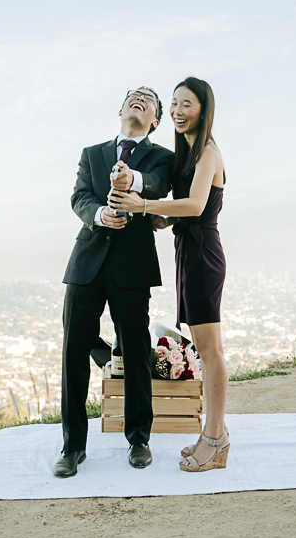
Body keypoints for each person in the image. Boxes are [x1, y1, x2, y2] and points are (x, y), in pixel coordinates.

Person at [109, 77, 229, 472]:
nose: (178, 111)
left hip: (202, 254)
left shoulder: (208, 151)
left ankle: (216, 439)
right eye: (174, 103)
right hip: (188, 252)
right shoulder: (190, 152)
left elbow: (194, 206)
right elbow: (180, 209)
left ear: (204, 109)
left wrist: (143, 206)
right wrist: (156, 217)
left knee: (210, 352)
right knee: (204, 347)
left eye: (187, 104)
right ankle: (211, 434)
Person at [54, 87, 174, 477]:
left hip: (133, 265)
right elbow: (79, 198)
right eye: (133, 96)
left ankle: (139, 438)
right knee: (74, 349)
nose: (140, 99)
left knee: (137, 352)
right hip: (87, 261)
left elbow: (157, 183)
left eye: (149, 99)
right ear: (120, 110)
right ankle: (73, 447)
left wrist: (133, 179)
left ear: (155, 120)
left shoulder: (163, 158)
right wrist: (100, 215)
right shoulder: (92, 153)